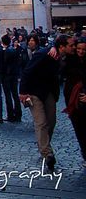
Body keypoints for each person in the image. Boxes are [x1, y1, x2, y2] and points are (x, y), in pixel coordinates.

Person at [20, 34, 75, 172]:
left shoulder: (66, 56)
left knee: (51, 121)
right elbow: (27, 71)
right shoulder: (44, 54)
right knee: (41, 122)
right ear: (62, 46)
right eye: (71, 45)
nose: (73, 48)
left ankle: (44, 144)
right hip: (34, 92)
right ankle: (47, 153)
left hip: (49, 92)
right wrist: (23, 92)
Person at [63, 40, 86, 167]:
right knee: (79, 128)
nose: (81, 52)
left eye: (83, 49)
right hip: (73, 99)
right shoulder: (71, 60)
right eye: (78, 49)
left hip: (83, 97)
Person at [1, 34, 22, 123]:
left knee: (8, 95)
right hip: (14, 74)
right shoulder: (14, 50)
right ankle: (18, 114)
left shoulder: (5, 51)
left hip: (7, 75)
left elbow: (4, 63)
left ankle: (10, 114)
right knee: (15, 94)